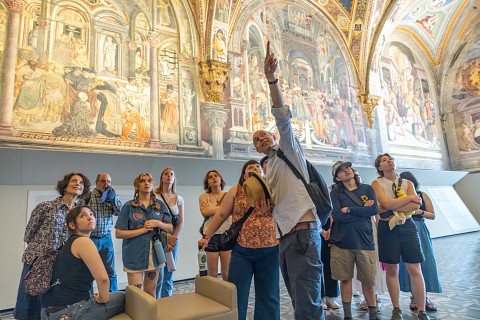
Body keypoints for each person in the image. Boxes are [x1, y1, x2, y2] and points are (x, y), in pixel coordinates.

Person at [252, 41, 324, 319]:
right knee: (298, 298)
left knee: (307, 300)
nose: (260, 139)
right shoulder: (268, 168)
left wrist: (271, 80)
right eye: (256, 140)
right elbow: (275, 203)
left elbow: (282, 116)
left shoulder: (289, 151)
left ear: (272, 137)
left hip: (304, 232)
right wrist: (266, 209)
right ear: (257, 149)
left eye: (263, 134)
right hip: (285, 236)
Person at [198, 160, 280, 320]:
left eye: (257, 166)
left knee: (269, 296)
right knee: (237, 295)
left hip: (270, 249)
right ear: (244, 175)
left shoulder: (273, 188)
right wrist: (207, 236)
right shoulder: (236, 190)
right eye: (250, 167)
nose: (255, 168)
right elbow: (221, 214)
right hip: (242, 250)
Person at [14, 173, 91, 320]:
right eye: (74, 181)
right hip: (37, 260)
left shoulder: (80, 213)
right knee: (29, 303)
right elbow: (28, 235)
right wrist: (41, 251)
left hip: (61, 263)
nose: (78, 184)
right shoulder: (45, 207)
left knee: (51, 303)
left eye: (81, 182)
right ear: (65, 185)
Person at [371, 154, 430, 320]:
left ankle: (421, 309)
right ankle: (396, 308)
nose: (389, 161)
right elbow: (387, 204)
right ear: (379, 168)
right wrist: (409, 198)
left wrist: (394, 205)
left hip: (407, 226)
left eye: (390, 159)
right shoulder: (377, 183)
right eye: (384, 160)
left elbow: (414, 206)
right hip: (387, 227)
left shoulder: (407, 183)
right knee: (392, 269)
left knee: (414, 268)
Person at [41, 206, 125, 319]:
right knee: (123, 297)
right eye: (83, 215)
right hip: (69, 311)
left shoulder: (69, 242)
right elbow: (103, 279)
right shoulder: (83, 241)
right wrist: (102, 298)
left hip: (48, 312)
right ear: (72, 225)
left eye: (91, 214)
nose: (90, 218)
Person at [329, 161, 379, 320]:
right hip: (342, 242)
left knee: (368, 281)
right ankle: (348, 316)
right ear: (337, 177)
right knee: (345, 279)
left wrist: (350, 209)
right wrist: (362, 211)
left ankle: (373, 315)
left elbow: (373, 210)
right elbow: (337, 216)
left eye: (348, 168)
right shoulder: (336, 193)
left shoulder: (367, 189)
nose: (347, 170)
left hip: (364, 240)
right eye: (342, 171)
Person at [115, 173, 172, 297]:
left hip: (154, 254)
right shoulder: (129, 206)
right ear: (137, 186)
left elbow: (169, 227)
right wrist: (143, 230)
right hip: (134, 255)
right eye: (143, 181)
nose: (146, 183)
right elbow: (119, 233)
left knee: (151, 291)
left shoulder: (160, 205)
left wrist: (158, 223)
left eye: (149, 181)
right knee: (136, 295)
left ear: (153, 185)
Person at [398, 171, 441, 312]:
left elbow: (432, 215)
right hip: (404, 229)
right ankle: (413, 297)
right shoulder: (398, 197)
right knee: (408, 264)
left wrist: (419, 212)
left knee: (425, 261)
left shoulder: (422, 195)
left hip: (420, 228)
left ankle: (424, 296)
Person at [83, 173, 122, 292]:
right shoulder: (88, 196)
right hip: (90, 239)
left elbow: (120, 212)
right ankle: (88, 299)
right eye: (103, 181)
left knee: (110, 271)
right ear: (96, 182)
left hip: (106, 239)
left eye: (108, 182)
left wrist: (113, 199)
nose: (106, 184)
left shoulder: (112, 196)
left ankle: (113, 296)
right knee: (88, 272)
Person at [155, 168, 184, 298]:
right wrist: (165, 234)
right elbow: (154, 218)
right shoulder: (154, 196)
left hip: (173, 238)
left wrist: (173, 238)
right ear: (161, 178)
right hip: (158, 237)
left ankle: (167, 301)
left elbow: (181, 221)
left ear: (174, 178)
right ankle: (155, 303)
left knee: (169, 273)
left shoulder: (178, 198)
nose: (169, 176)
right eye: (166, 174)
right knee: (158, 274)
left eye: (171, 174)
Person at [198, 170, 232, 280]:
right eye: (210, 177)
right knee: (212, 274)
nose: (214, 178)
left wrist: (212, 209)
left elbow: (231, 211)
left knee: (226, 273)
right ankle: (214, 297)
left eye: (216, 176)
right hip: (210, 236)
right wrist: (223, 209)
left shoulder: (228, 195)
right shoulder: (204, 196)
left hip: (226, 235)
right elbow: (205, 212)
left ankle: (227, 297)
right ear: (207, 182)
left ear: (220, 179)